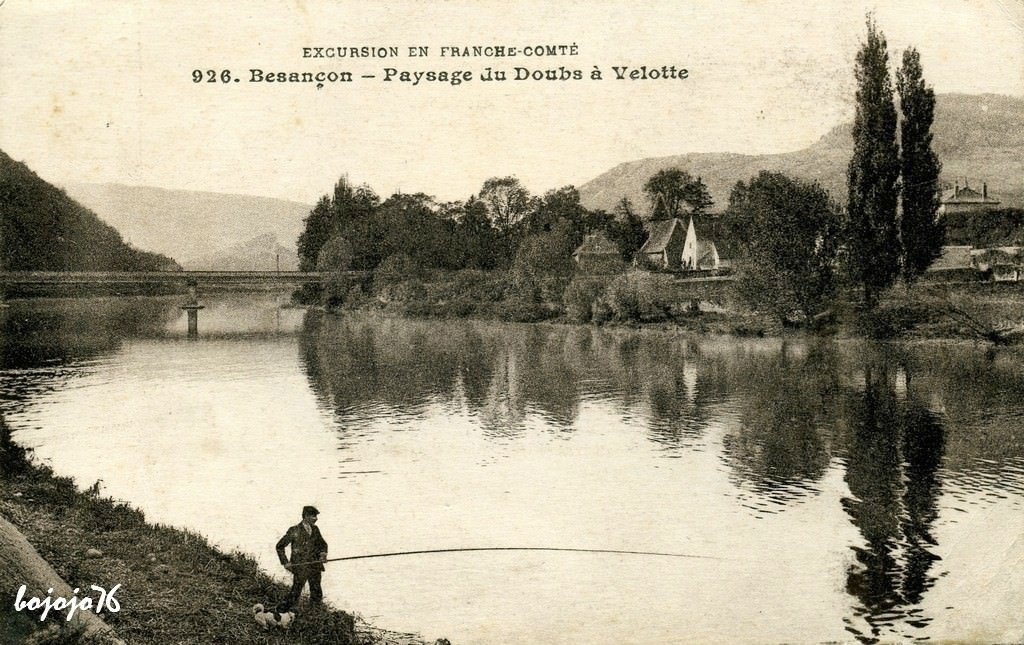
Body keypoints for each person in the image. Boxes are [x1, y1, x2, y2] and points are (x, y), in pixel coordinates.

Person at [276, 505, 329, 609]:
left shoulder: (315, 529)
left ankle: (315, 613)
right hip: (301, 567)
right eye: (313, 516)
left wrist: (323, 554)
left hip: (315, 565)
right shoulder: (294, 530)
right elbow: (279, 546)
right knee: (296, 591)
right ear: (306, 516)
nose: (316, 519)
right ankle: (284, 611)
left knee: (316, 592)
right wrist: (286, 562)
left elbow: (322, 544)